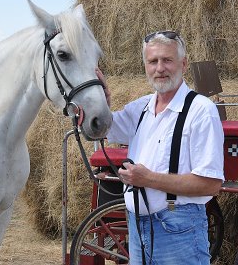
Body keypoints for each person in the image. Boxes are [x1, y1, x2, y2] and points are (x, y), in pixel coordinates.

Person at [96, 31, 224, 264]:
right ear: (145, 66)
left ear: (183, 64)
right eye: (153, 61)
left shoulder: (201, 111)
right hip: (136, 226)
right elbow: (104, 128)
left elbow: (211, 183)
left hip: (178, 229)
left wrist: (148, 179)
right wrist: (97, 101)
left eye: (167, 60)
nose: (160, 68)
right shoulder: (141, 108)